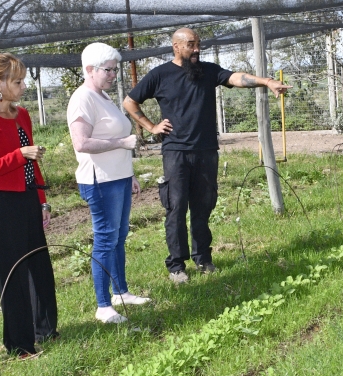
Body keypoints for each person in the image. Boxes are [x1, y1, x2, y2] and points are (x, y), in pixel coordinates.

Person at [123, 27, 291, 284]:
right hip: (176, 152)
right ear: (176, 46)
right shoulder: (160, 75)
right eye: (191, 44)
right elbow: (130, 102)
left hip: (206, 151)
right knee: (176, 208)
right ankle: (176, 266)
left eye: (198, 44)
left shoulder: (208, 70)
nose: (197, 49)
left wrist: (267, 82)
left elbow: (236, 77)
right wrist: (151, 127)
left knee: (203, 206)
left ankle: (203, 258)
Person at [0, 51, 58, 357]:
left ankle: (46, 330)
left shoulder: (22, 115)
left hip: (29, 198)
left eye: (23, 81)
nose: (23, 87)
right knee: (14, 274)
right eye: (17, 82)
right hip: (5, 204)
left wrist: (42, 202)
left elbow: (33, 165)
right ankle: (19, 345)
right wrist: (18, 155)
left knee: (40, 266)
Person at [68, 42, 150, 324]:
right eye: (108, 70)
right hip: (101, 181)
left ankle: (121, 292)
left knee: (118, 237)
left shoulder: (102, 96)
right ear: (90, 69)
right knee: (105, 240)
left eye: (115, 70)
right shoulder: (83, 98)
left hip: (119, 178)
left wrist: (130, 174)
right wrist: (122, 143)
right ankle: (103, 306)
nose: (114, 75)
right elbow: (82, 143)